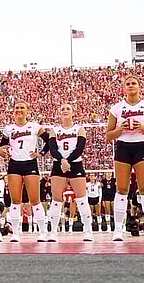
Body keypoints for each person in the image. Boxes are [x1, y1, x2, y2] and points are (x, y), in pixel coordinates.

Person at [105, 76, 144, 242]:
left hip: (141, 146)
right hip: (123, 147)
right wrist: (120, 128)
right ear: (124, 88)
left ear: (139, 86)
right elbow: (109, 135)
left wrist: (142, 128)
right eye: (127, 84)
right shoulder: (116, 108)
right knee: (122, 189)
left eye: (133, 83)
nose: (130, 86)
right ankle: (118, 230)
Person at [0, 102, 48, 242]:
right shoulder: (9, 129)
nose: (19, 110)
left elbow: (49, 141)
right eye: (17, 108)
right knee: (15, 200)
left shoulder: (35, 126)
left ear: (27, 111)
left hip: (30, 163)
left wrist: (41, 153)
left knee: (35, 200)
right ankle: (16, 233)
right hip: (14, 164)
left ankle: (42, 232)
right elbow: (2, 146)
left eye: (22, 108)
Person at [47, 103, 93, 242]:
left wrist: (67, 161)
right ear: (59, 113)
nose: (65, 111)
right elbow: (53, 149)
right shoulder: (54, 130)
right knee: (56, 200)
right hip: (58, 165)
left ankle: (88, 230)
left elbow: (80, 148)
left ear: (73, 112)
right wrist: (62, 161)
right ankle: (53, 232)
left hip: (75, 164)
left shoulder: (79, 129)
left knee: (82, 199)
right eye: (63, 109)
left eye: (68, 109)